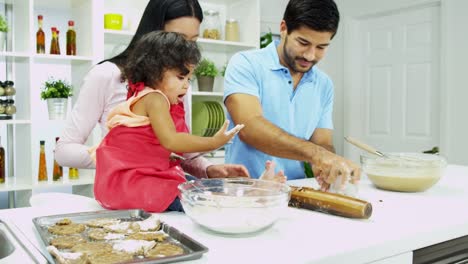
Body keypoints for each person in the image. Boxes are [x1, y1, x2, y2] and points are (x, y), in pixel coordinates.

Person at [55, 0, 249, 179]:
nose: (187, 50)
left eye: (193, 41)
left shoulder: (177, 83)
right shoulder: (106, 74)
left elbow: (177, 147)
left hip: (163, 192)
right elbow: (64, 152)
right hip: (126, 196)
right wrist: (120, 156)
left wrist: (208, 169)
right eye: (178, 39)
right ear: (155, 34)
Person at [94, 31, 245, 212]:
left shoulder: (146, 97)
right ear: (153, 71)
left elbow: (142, 145)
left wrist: (163, 155)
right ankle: (246, 199)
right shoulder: (155, 99)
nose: (186, 85)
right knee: (201, 197)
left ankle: (244, 193)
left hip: (130, 180)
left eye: (189, 78)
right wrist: (214, 142)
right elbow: (171, 140)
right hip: (133, 184)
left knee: (199, 186)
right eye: (180, 77)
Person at [223, 0, 360, 191]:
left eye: (321, 47)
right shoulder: (246, 64)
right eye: (303, 43)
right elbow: (249, 128)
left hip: (295, 190)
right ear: (284, 28)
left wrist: (327, 165)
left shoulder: (324, 84)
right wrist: (317, 154)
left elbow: (322, 142)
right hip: (245, 191)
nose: (311, 55)